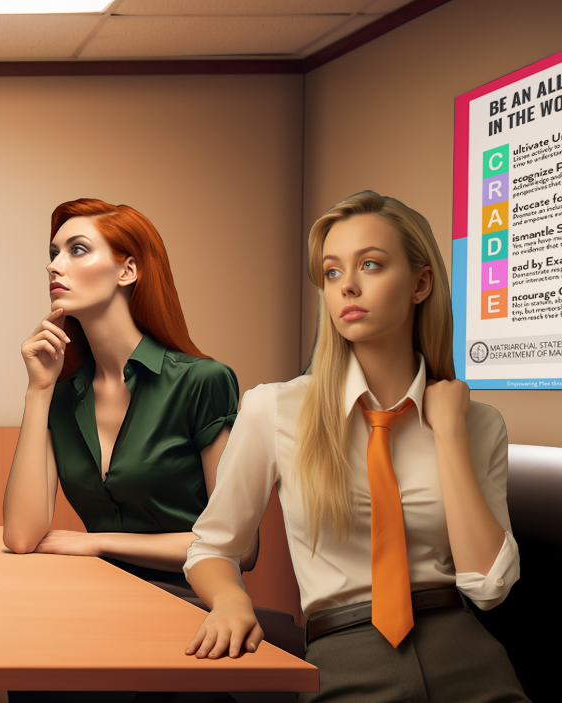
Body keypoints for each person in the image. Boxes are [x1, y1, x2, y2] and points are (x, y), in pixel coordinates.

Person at [184, 191, 527, 702]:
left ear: (420, 283)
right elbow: (213, 545)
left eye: (370, 264)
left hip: (466, 654)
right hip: (343, 653)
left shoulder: (478, 424)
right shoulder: (274, 410)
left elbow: (488, 586)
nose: (348, 286)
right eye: (331, 272)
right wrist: (230, 600)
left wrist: (450, 435)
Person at [3, 198, 243, 590]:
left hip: (191, 601)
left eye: (76, 249)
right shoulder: (62, 396)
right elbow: (20, 537)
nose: (53, 265)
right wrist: (38, 390)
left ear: (127, 270)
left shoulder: (202, 382)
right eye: (53, 253)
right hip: (96, 595)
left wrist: (96, 543)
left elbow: (238, 545)